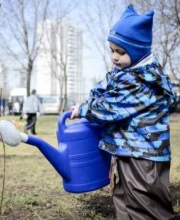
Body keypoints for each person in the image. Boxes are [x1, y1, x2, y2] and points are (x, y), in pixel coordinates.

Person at [71, 5, 175, 220]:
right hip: (128, 150)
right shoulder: (125, 72)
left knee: (143, 204)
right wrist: (93, 96)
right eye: (112, 50)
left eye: (121, 52)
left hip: (143, 154)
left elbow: (109, 108)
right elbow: (105, 85)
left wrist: (83, 109)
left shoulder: (139, 80)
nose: (114, 57)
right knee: (123, 198)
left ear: (137, 52)